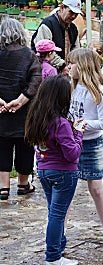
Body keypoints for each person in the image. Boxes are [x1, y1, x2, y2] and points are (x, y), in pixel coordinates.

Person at [25, 76, 84, 265]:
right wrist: (79, 133)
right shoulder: (61, 123)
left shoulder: (37, 118)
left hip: (43, 171)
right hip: (63, 173)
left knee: (54, 212)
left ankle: (59, 246)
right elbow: (72, 154)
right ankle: (53, 257)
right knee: (57, 215)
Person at [68, 48, 103, 250]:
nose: (69, 67)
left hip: (92, 143)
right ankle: (59, 232)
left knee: (97, 189)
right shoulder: (72, 87)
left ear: (82, 65)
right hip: (72, 142)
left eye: (72, 63)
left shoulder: (99, 91)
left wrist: (83, 124)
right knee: (67, 188)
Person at [0, 18, 42, 201]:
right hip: (24, 110)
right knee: (25, 146)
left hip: (1, 111)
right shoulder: (29, 54)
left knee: (2, 145)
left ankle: (3, 187)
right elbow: (36, 79)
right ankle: (23, 184)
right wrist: (21, 100)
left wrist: (1, 102)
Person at [31, 0, 82, 75]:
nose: (73, 16)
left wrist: (73, 64)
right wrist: (62, 66)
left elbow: (76, 50)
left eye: (76, 14)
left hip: (65, 71)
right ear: (62, 8)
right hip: (46, 73)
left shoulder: (73, 28)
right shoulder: (47, 25)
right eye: (71, 12)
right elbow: (45, 52)